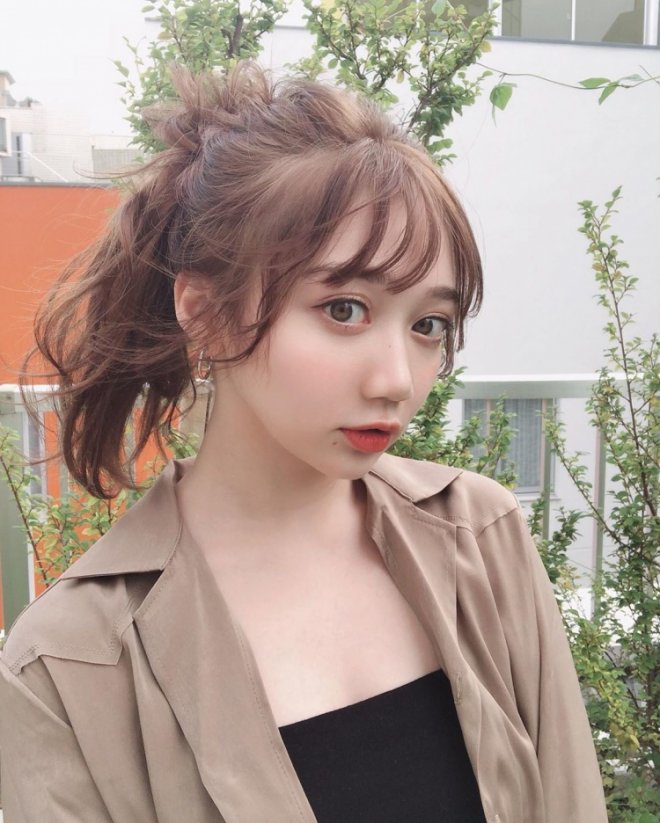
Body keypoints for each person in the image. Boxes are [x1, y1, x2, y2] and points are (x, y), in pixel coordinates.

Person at [0, 62, 607, 822]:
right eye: (344, 308)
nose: (397, 379)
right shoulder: (71, 664)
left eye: (428, 324)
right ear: (205, 311)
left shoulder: (479, 537)